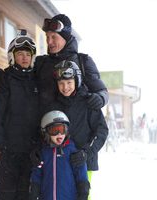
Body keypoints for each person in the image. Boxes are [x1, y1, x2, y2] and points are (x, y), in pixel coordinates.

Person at [41, 60, 109, 199]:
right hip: (61, 163)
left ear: (76, 81)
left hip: (84, 162)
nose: (65, 87)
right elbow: (45, 131)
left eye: (69, 83)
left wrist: (86, 152)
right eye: (61, 83)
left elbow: (101, 131)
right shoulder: (53, 105)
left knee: (83, 195)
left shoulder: (89, 102)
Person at [0, 30, 40, 200]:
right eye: (20, 54)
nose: (24, 57)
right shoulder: (4, 81)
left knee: (27, 194)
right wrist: (1, 148)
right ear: (12, 56)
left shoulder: (38, 80)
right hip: (9, 153)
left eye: (28, 54)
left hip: (31, 154)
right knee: (6, 194)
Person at [34, 14, 108, 111]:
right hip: (46, 123)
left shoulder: (83, 62)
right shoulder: (40, 63)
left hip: (77, 123)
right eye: (47, 37)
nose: (49, 42)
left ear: (65, 37)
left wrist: (100, 98)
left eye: (53, 37)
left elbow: (101, 91)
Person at [29, 110, 90, 200]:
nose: (59, 134)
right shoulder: (43, 152)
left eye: (62, 129)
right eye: (54, 130)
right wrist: (34, 190)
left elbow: (80, 172)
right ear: (45, 132)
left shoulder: (73, 151)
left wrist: (83, 190)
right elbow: (37, 173)